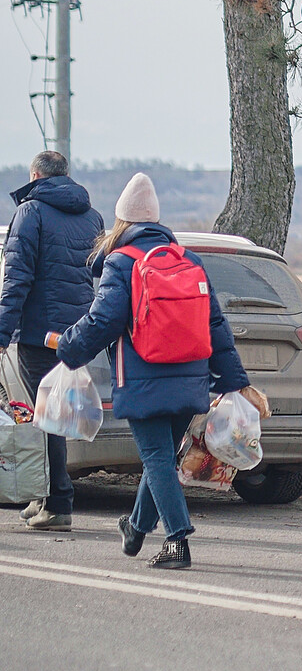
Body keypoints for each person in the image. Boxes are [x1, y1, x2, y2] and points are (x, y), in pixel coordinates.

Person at [54, 172, 263, 568]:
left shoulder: (122, 262)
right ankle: (135, 530)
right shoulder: (189, 261)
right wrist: (235, 381)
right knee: (163, 459)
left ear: (122, 222)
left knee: (155, 459)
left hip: (144, 379)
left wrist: (68, 348)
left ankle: (177, 540)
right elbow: (215, 325)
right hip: (191, 381)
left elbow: (102, 322)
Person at [0, 151, 103, 531]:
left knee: (46, 416)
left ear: (36, 175)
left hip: (37, 331)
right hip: (76, 333)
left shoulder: (31, 212)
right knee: (52, 414)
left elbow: (17, 278)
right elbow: (94, 273)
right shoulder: (92, 216)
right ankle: (41, 495)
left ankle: (58, 502)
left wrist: (1, 331)